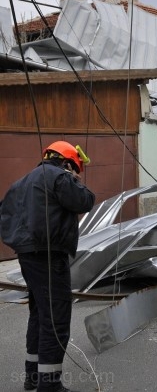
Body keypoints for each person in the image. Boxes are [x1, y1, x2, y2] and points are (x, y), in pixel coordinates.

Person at [0, 141, 95, 392]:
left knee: (40, 314)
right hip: (50, 257)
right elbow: (85, 201)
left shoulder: (21, 183)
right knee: (56, 319)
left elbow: (5, 214)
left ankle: (33, 377)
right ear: (66, 162)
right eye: (74, 167)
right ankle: (49, 386)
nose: (74, 173)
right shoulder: (60, 177)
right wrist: (73, 179)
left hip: (27, 256)